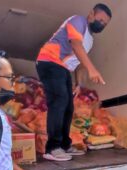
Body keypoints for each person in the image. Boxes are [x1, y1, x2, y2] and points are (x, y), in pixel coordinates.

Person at [36, 3, 112, 161]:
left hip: (63, 68)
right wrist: (93, 69)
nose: (102, 24)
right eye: (100, 19)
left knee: (69, 107)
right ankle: (52, 148)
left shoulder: (89, 41)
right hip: (49, 61)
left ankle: (64, 145)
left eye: (105, 24)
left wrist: (79, 84)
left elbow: (79, 63)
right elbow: (76, 45)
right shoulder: (78, 21)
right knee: (59, 101)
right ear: (91, 14)